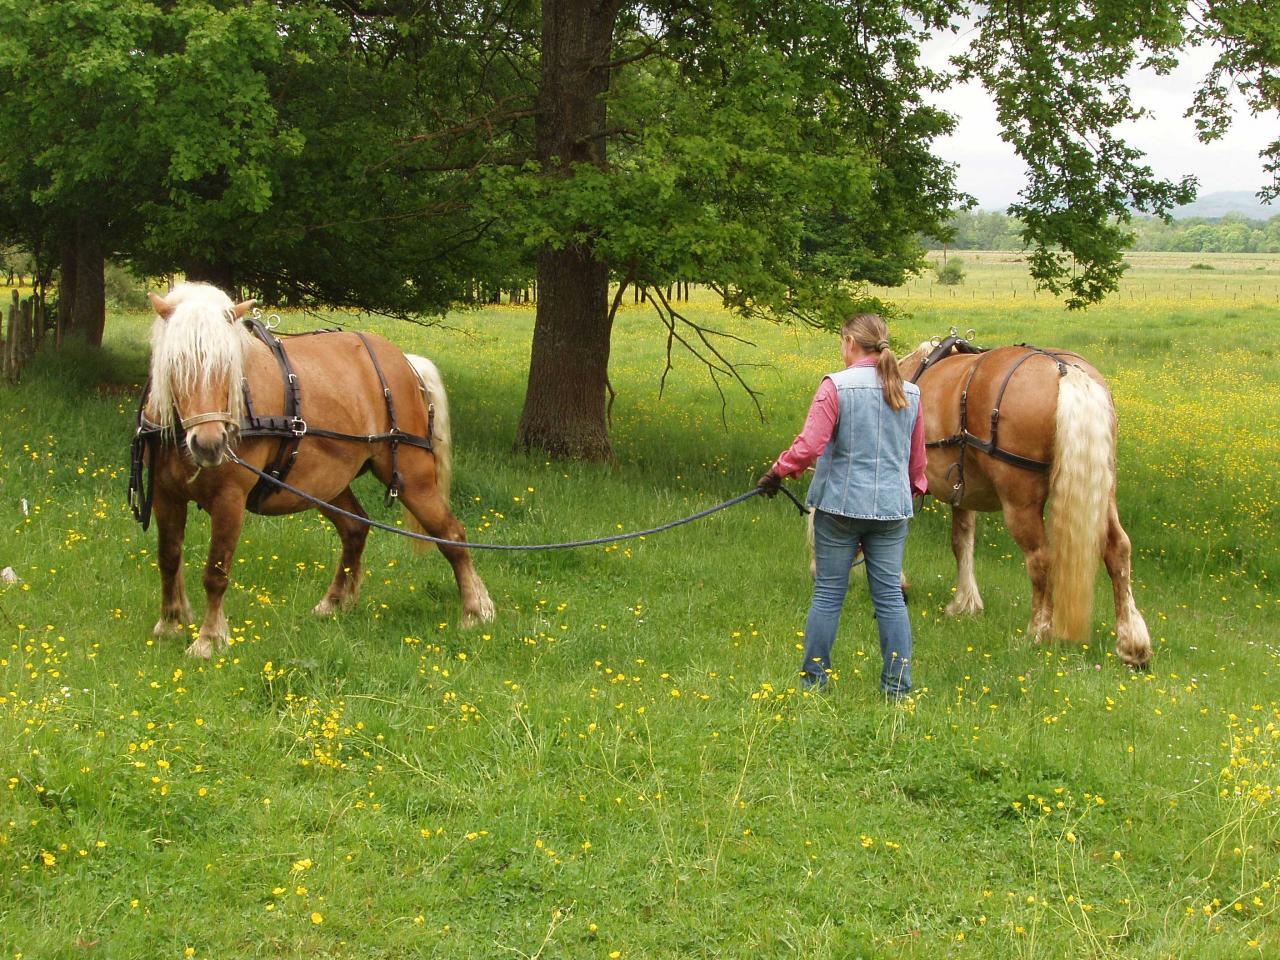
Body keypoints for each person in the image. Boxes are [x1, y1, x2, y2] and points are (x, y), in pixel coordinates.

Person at [758, 314, 927, 697]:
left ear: (850, 342)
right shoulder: (911, 392)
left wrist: (777, 472)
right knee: (889, 600)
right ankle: (898, 690)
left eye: (842, 342)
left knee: (828, 596)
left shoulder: (835, 386)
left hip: (839, 509)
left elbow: (809, 446)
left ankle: (814, 684)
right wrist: (908, 496)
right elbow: (917, 465)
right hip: (891, 511)